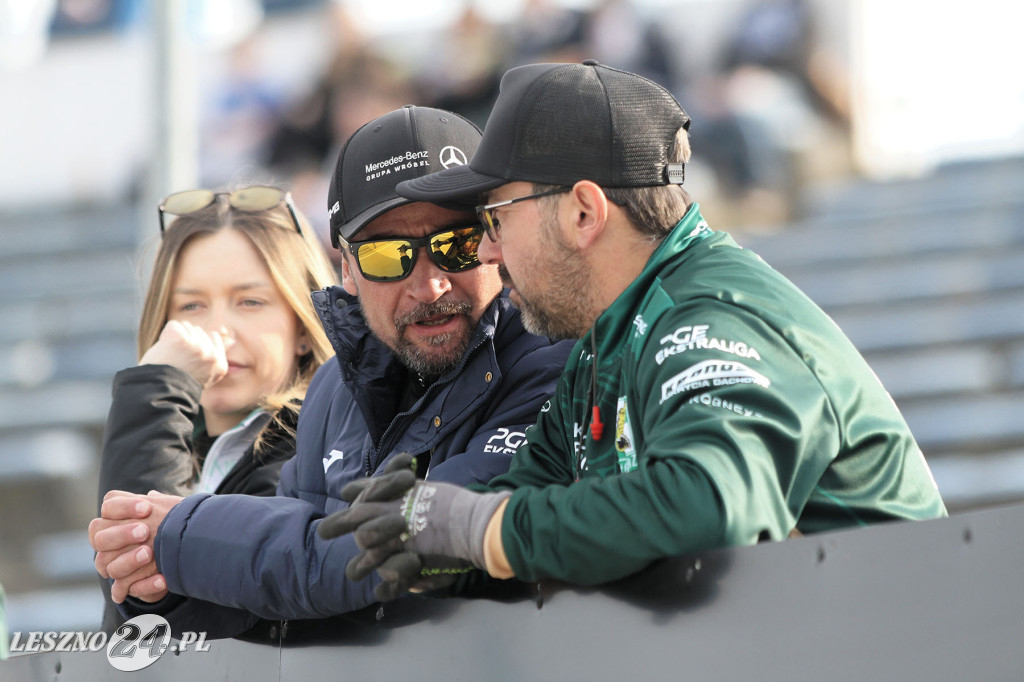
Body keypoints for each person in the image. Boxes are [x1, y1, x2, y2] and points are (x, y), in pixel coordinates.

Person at [318, 61, 948, 595]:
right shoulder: (606, 348)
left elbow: (709, 505)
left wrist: (480, 530)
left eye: (495, 219)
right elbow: (528, 498)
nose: (487, 251)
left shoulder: (707, 317)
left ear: (585, 213)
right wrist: (426, 540)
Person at [88, 106, 574, 638]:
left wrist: (180, 535)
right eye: (389, 256)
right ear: (346, 269)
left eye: (454, 246)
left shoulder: (553, 359)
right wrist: (150, 577)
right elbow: (268, 597)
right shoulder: (335, 391)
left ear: (495, 240)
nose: (430, 285)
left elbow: (393, 548)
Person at [96, 185, 339, 633]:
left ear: (304, 324)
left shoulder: (322, 453)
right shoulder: (173, 440)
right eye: (192, 305)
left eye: (250, 301)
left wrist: (154, 392)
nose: (218, 331)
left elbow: (156, 622)